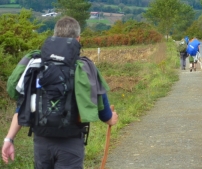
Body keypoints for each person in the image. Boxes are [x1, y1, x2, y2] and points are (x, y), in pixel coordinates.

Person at [2, 16, 118, 168]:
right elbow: (101, 106)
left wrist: (9, 139)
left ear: (55, 36)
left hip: (41, 143)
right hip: (71, 143)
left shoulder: (37, 65)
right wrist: (110, 119)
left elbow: (22, 107)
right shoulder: (84, 68)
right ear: (78, 39)